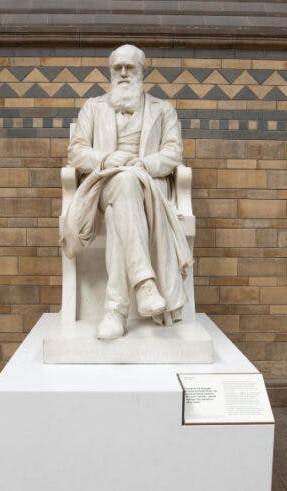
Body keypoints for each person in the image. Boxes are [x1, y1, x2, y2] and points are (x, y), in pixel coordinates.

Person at [61, 44, 192, 340]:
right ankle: (144, 285)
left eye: (129, 68)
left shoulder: (163, 110)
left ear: (141, 71)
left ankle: (116, 311)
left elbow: (173, 153)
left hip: (147, 189)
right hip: (102, 185)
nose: (123, 73)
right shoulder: (92, 108)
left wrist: (143, 163)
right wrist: (107, 159)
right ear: (110, 71)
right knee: (122, 183)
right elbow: (76, 152)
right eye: (117, 67)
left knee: (127, 191)